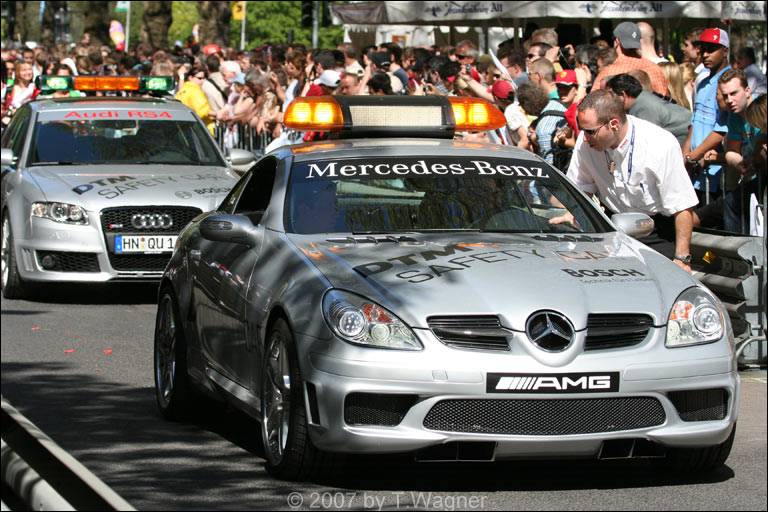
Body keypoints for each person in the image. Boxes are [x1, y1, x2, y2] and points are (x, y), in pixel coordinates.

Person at [560, 90, 698, 272]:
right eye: (582, 130)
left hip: (655, 231)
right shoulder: (586, 144)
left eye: (590, 132)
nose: (584, 138)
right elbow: (581, 188)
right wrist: (573, 215)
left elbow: (682, 206)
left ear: (614, 124)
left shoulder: (659, 144)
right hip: (612, 227)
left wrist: (682, 258)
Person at [694, 73, 764, 233]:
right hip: (751, 181)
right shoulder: (734, 118)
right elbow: (732, 151)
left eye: (734, 93)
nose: (729, 100)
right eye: (725, 96)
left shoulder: (761, 110)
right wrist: (741, 164)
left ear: (747, 91)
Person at [682, 28, 731, 203]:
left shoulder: (727, 83)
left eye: (712, 49)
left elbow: (721, 129)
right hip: (696, 169)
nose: (706, 54)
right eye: (703, 50)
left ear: (725, 51)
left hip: (715, 171)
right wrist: (686, 154)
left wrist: (695, 155)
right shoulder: (702, 82)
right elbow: (694, 121)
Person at [606, 73, 691, 147]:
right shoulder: (642, 99)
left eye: (611, 95)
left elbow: (648, 143)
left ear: (623, 95)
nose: (609, 101)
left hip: (687, 140)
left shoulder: (643, 107)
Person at [592, 21, 669, 96]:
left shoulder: (609, 72)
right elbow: (664, 102)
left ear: (617, 41)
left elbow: (591, 105)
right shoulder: (654, 69)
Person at [175, 64, 213, 132]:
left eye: (204, 78)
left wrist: (181, 77)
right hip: (203, 129)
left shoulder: (184, 89)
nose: (203, 81)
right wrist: (218, 114)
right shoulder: (195, 91)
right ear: (190, 77)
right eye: (199, 78)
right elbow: (204, 111)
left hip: (188, 128)